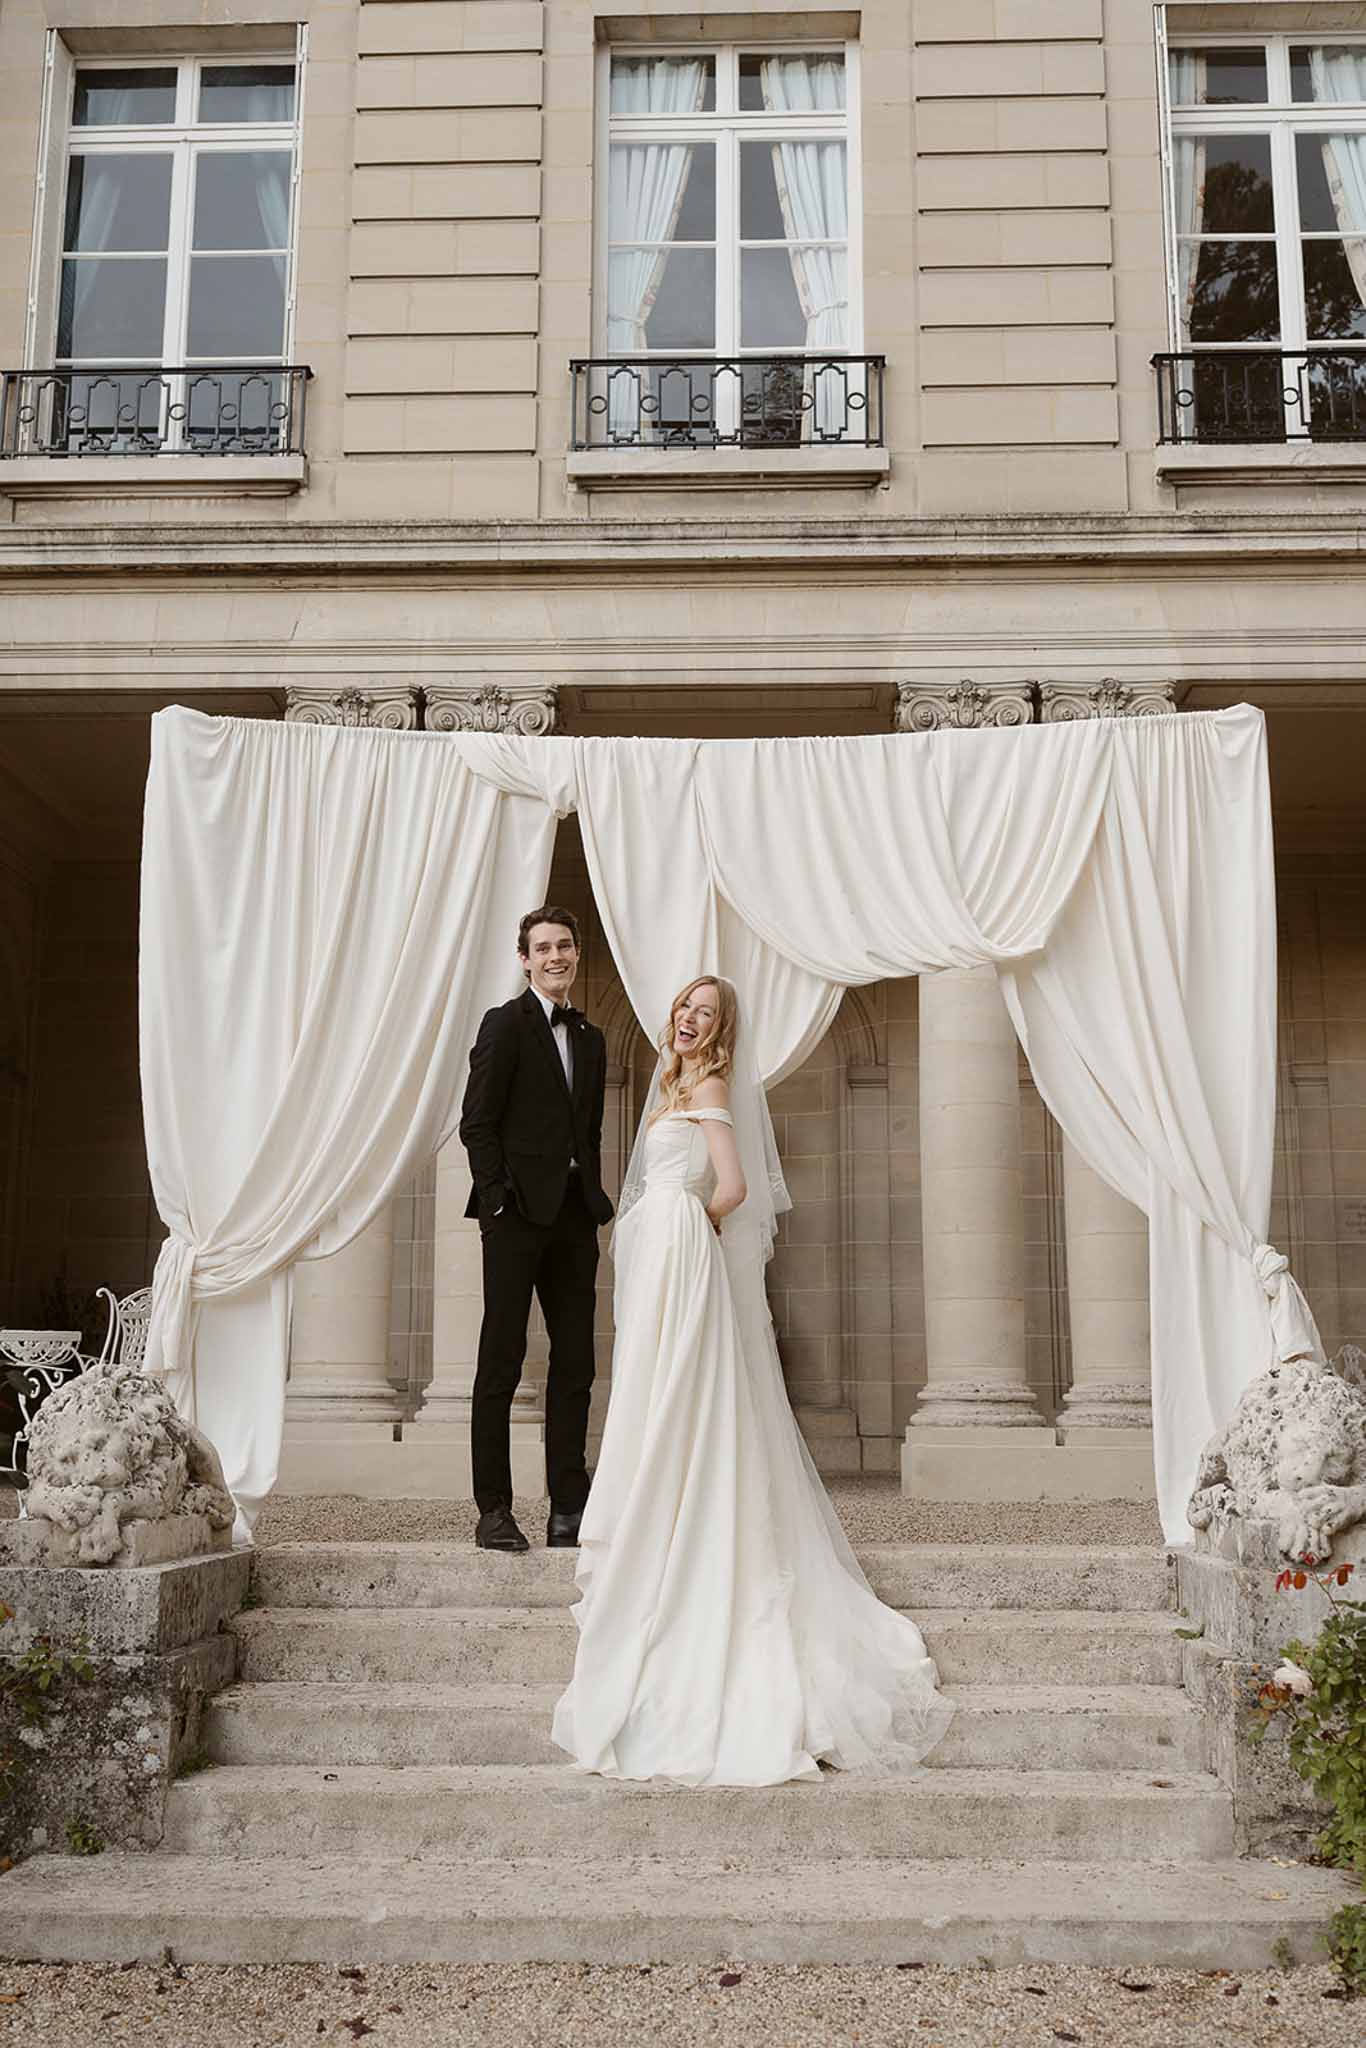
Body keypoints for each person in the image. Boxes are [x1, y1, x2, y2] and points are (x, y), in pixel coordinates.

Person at [551, 975, 955, 1787]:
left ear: (722, 1029)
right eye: (684, 1009)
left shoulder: (705, 1083)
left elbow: (732, 1189)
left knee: (682, 1402)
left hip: (684, 1252)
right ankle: (656, 1523)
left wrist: (681, 1229)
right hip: (660, 1257)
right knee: (653, 1395)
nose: (690, 1020)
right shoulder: (672, 1084)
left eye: (706, 1013)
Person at [459, 906, 613, 1553]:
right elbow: (477, 1122)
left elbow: (588, 1132)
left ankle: (567, 1508)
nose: (555, 956)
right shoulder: (505, 1025)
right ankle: (493, 1508)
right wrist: (497, 1202)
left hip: (575, 1218)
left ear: (576, 955)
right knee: (502, 1358)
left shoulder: (593, 1039)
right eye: (542, 947)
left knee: (576, 1363)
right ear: (524, 958)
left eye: (565, 946)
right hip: (515, 1217)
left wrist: (591, 1202)